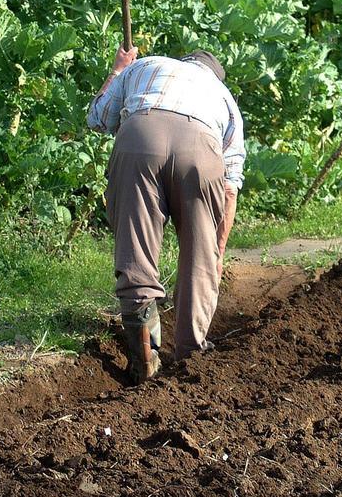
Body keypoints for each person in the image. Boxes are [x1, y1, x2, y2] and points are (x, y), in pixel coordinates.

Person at [87, 46, 245, 384]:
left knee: (137, 247)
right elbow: (230, 187)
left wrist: (117, 70)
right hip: (201, 149)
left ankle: (144, 354)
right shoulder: (225, 98)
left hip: (140, 136)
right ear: (213, 75)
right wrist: (216, 250)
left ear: (184, 62)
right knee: (199, 258)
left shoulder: (143, 66)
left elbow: (98, 117)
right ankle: (191, 353)